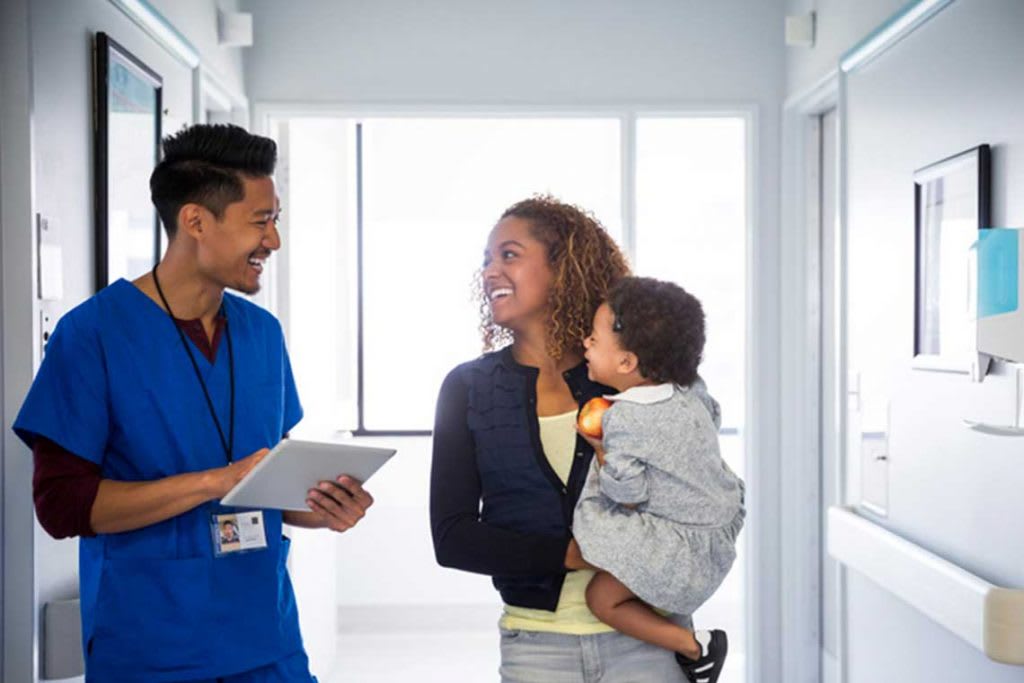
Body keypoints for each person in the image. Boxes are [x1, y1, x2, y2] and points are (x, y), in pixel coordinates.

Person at [13, 124, 374, 683]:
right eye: (261, 221)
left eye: (275, 221)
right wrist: (213, 482)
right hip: (151, 642)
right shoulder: (93, 335)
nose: (273, 242)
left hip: (266, 637)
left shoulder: (262, 334)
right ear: (196, 221)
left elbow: (269, 484)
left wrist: (325, 507)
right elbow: (62, 507)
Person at [431, 196, 696, 682]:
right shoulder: (467, 388)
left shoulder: (631, 378)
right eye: (487, 260)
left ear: (565, 269)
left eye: (509, 255)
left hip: (647, 639)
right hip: (536, 647)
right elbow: (453, 538)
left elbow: (685, 494)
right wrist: (571, 554)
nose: (490, 272)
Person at [574, 276, 745, 683]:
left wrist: (600, 448)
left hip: (681, 551)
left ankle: (695, 645)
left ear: (627, 363)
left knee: (600, 596)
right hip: (720, 530)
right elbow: (713, 416)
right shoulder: (690, 389)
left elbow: (629, 494)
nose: (584, 343)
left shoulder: (625, 418)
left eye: (594, 340)